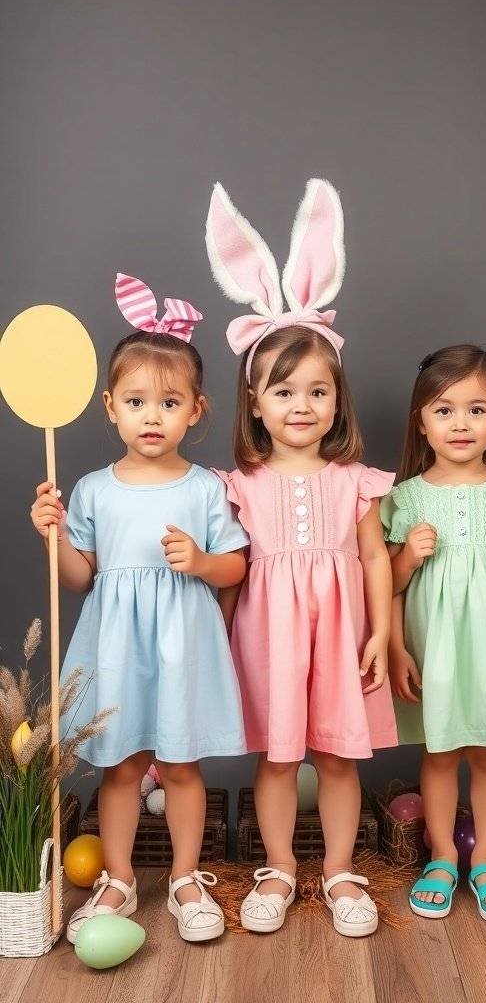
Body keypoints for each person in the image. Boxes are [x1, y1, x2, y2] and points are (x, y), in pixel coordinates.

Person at [31, 273, 249, 943]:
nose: (152, 415)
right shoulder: (93, 490)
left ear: (196, 410)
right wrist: (55, 534)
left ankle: (185, 877)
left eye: (169, 401)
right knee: (123, 765)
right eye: (136, 401)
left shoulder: (206, 487)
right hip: (117, 645)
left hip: (182, 641)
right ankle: (119, 878)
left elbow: (237, 565)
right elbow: (78, 580)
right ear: (109, 407)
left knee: (181, 766)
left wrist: (203, 564)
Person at [206, 179, 397, 937]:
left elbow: (377, 559)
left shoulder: (357, 480)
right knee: (280, 759)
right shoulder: (239, 485)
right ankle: (281, 867)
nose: (301, 406)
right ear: (254, 401)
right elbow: (227, 571)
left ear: (337, 400)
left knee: (341, 760)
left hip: (342, 634)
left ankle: (343, 868)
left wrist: (381, 632)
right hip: (270, 640)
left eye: (318, 391)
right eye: (283, 391)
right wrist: (214, 644)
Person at [382, 344, 486, 923]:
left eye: (477, 409)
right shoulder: (404, 498)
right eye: (444, 409)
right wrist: (407, 558)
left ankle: (484, 857)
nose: (460, 423)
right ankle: (440, 857)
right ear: (421, 421)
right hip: (434, 652)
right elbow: (391, 584)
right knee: (439, 752)